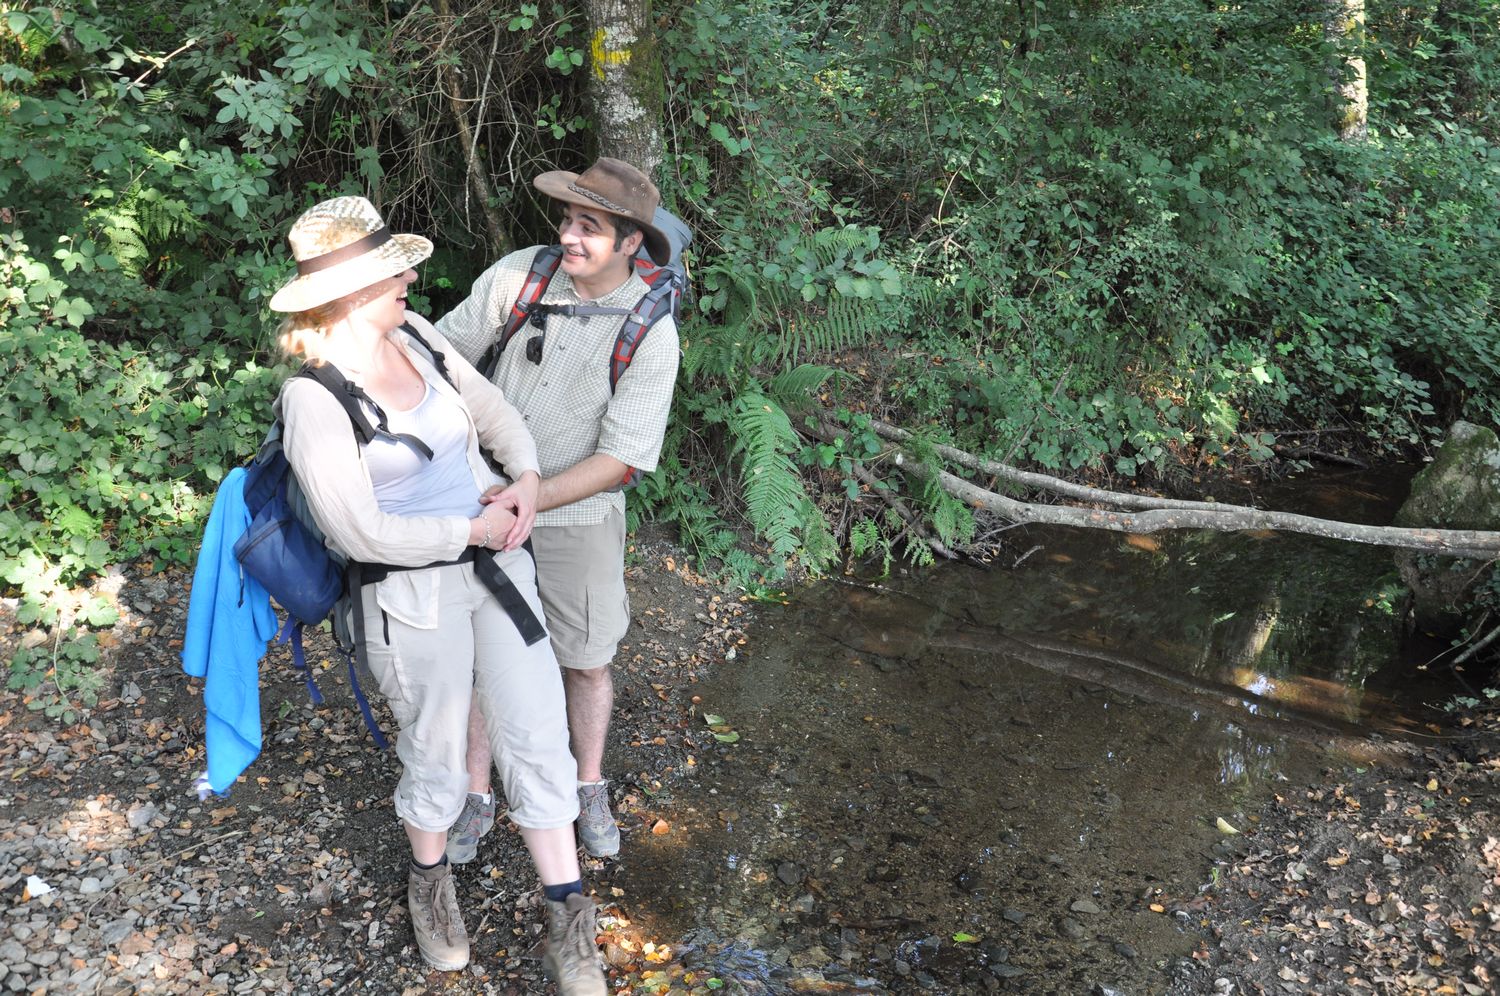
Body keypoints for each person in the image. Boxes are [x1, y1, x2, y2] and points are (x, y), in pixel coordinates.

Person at [266, 195, 607, 995]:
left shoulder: (416, 335)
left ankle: (569, 920)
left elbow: (495, 413)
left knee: (538, 735)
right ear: (350, 295)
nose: (411, 280)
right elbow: (360, 532)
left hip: (498, 568)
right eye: (394, 274)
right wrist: (470, 529)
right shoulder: (313, 400)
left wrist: (525, 481)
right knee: (438, 753)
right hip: (408, 598)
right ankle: (430, 887)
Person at [436, 158, 680, 862]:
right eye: (569, 219)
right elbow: (440, 357)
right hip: (485, 503)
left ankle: (587, 784)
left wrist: (532, 494)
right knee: (480, 658)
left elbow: (624, 458)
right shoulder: (521, 276)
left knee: (586, 660)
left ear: (630, 242)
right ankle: (477, 794)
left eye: (589, 227)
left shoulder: (650, 329)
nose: (569, 236)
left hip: (579, 521)